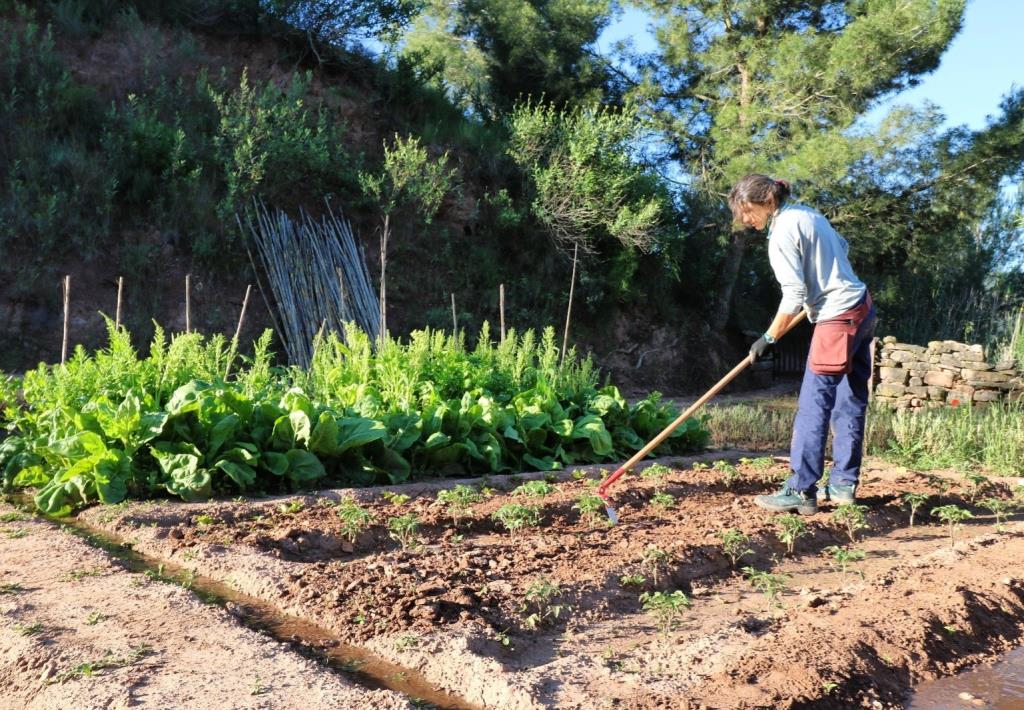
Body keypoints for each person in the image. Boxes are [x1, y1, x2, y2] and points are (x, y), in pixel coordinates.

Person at [729, 174, 876, 515]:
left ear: (767, 201)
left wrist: (768, 337)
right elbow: (843, 246)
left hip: (837, 319)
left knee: (814, 403)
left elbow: (793, 294)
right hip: (862, 308)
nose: (747, 221)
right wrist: (824, 277)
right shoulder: (808, 214)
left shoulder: (780, 234)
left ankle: (801, 489)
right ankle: (842, 484)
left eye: (748, 211)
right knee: (849, 398)